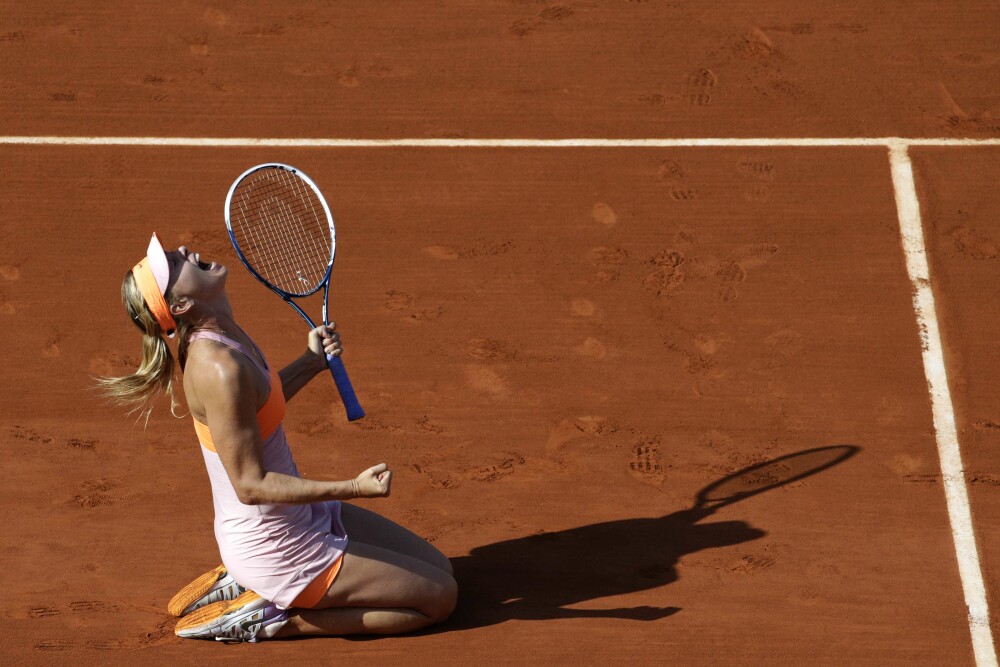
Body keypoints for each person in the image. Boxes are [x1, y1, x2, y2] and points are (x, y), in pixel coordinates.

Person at [99, 233, 457, 642]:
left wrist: (310, 363)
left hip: (299, 519)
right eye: (172, 265)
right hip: (278, 548)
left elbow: (257, 406)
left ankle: (247, 583)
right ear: (180, 305)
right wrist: (352, 488)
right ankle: (271, 617)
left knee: (440, 568)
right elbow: (251, 486)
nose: (183, 252)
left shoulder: (223, 332)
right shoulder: (218, 368)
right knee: (439, 599)